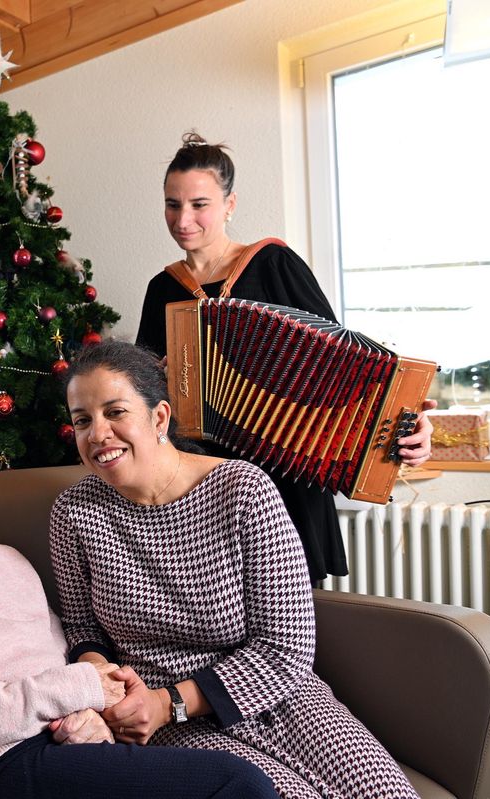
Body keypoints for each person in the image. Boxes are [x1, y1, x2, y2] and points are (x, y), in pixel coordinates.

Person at [50, 340, 419, 799]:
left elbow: (288, 647)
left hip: (275, 695)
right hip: (162, 719)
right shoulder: (73, 513)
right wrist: (103, 681)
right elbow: (82, 625)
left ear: (159, 418)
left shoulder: (242, 489)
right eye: (82, 420)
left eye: (115, 412)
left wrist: (171, 703)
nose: (97, 433)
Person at [0, 410, 278, 799]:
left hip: (61, 747)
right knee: (237, 784)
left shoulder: (10, 562)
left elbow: (61, 664)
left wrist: (94, 717)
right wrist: (80, 689)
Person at [135, 132, 434, 581]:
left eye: (200, 204)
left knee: (296, 639)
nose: (183, 219)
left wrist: (410, 423)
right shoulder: (162, 289)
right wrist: (158, 380)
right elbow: (142, 396)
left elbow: (347, 365)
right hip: (203, 492)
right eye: (172, 204)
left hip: (286, 484)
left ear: (229, 204)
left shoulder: (274, 264)